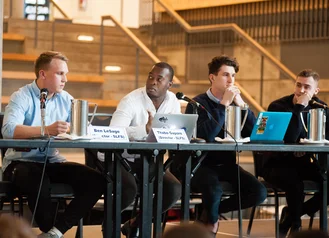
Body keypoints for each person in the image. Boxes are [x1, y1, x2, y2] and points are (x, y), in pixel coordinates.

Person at [2, 51, 105, 238]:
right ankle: (50, 229)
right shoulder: (21, 96)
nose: (65, 79)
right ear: (43, 74)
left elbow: (82, 131)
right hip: (21, 163)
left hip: (52, 161)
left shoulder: (66, 98)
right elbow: (8, 130)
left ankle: (55, 232)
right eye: (60, 74)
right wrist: (46, 129)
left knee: (97, 180)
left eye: (66, 74)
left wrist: (79, 131)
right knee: (36, 179)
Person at [94, 62, 182, 238]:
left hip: (148, 161)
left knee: (173, 188)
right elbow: (114, 133)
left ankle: (135, 224)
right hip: (118, 159)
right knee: (128, 188)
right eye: (150, 77)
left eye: (159, 79)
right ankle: (109, 223)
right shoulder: (131, 100)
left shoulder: (173, 101)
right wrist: (144, 130)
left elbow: (175, 130)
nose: (153, 82)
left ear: (169, 85)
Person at [183, 55, 267, 236]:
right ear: (212, 77)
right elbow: (206, 135)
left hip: (227, 164)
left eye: (233, 76)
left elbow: (256, 133)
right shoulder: (196, 104)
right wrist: (224, 105)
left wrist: (243, 106)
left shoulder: (236, 104)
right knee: (214, 190)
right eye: (226, 75)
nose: (231, 80)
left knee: (259, 192)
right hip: (201, 165)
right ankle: (212, 225)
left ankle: (208, 212)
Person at [262, 69, 329, 237]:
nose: (301, 91)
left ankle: (292, 215)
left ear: (315, 91)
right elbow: (289, 137)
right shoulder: (278, 106)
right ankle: (295, 225)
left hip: (304, 161)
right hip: (276, 163)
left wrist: (308, 140)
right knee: (295, 184)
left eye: (307, 87)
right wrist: (298, 108)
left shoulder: (320, 107)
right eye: (298, 85)